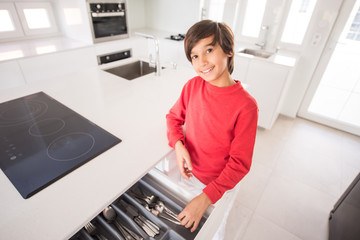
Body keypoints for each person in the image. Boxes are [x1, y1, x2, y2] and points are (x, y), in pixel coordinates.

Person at [166, 19, 258, 237]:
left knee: (215, 231)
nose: (202, 62)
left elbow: (239, 164)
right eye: (195, 56)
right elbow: (172, 118)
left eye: (209, 50)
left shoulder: (246, 106)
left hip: (220, 187)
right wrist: (179, 145)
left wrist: (206, 197)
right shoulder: (192, 87)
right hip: (191, 176)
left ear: (229, 50)